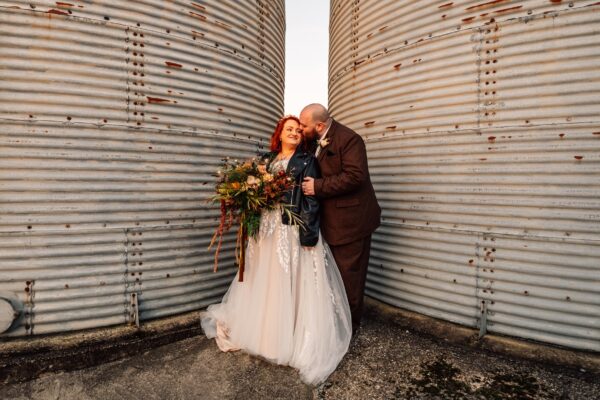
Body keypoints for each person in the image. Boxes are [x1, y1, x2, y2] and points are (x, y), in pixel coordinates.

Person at [201, 116, 352, 385]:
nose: (294, 132)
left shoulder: (307, 161)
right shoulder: (266, 161)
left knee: (286, 277)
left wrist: (308, 233)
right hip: (266, 230)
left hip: (289, 227)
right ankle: (262, 332)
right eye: (289, 129)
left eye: (297, 130)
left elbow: (310, 198)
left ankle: (286, 336)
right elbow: (254, 194)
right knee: (265, 276)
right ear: (279, 134)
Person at [300, 104, 381, 333]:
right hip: (331, 221)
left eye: (304, 125)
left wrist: (317, 186)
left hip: (351, 222)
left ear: (319, 125)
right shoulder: (316, 139)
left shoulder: (349, 139)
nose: (301, 128)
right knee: (335, 275)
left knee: (349, 276)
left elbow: (355, 176)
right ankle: (336, 321)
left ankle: (350, 328)